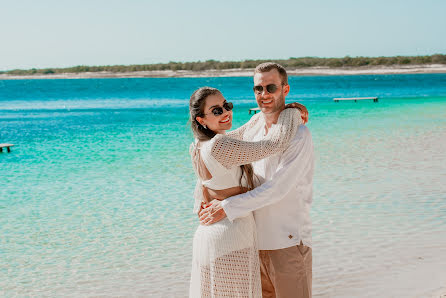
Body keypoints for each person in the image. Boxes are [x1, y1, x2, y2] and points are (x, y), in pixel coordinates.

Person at [198, 62, 315, 298]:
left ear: (285, 89)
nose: (264, 95)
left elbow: (277, 188)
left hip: (286, 243)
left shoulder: (299, 135)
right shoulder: (252, 129)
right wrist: (204, 200)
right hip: (249, 243)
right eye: (258, 89)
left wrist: (226, 207)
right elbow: (211, 155)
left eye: (271, 87)